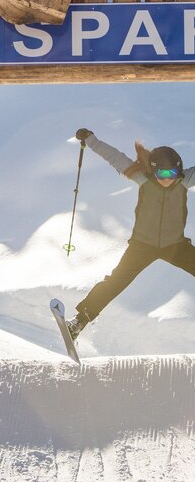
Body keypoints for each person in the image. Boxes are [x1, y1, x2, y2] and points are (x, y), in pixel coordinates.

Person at [66, 128, 195, 340]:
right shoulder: (143, 179)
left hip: (175, 245)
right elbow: (115, 157)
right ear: (153, 171)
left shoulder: (183, 181)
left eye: (172, 173)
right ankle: (80, 321)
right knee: (116, 281)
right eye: (162, 173)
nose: (167, 178)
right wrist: (91, 139)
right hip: (142, 245)